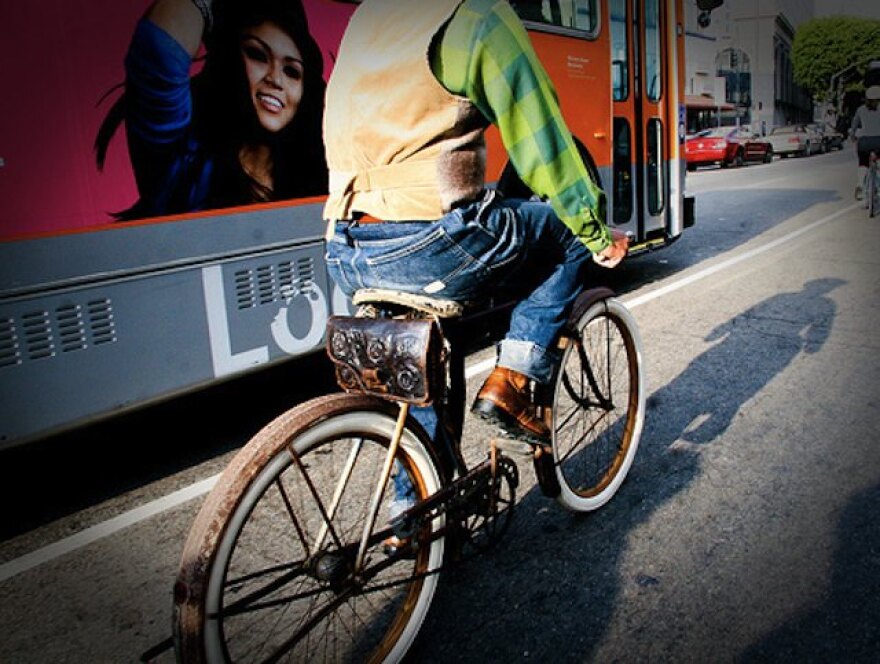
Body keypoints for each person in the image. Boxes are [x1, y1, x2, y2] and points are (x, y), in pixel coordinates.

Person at [322, 0, 628, 459]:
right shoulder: (476, 15)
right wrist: (595, 231)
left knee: (420, 373)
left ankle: (417, 519)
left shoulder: (365, 20)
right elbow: (541, 140)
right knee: (567, 234)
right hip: (432, 243)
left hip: (346, 244)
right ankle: (512, 380)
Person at [95, 0, 327, 220]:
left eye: (292, 72)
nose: (275, 79)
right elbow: (159, 53)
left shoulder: (321, 174)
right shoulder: (182, 166)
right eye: (258, 55)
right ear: (229, 62)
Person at [850, 85, 880, 201]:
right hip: (879, 141)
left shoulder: (860, 109)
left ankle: (861, 186)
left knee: (863, 163)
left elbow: (854, 125)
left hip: (864, 142)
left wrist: (852, 135)